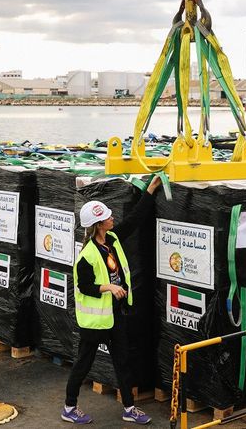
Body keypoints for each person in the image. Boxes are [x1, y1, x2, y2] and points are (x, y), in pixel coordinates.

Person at [62, 176, 162, 425]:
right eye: (107, 216)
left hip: (115, 314)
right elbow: (84, 287)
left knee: (123, 361)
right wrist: (109, 287)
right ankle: (69, 407)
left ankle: (129, 408)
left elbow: (135, 220)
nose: (112, 217)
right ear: (98, 225)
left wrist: (149, 191)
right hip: (95, 322)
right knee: (83, 364)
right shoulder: (87, 255)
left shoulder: (113, 239)